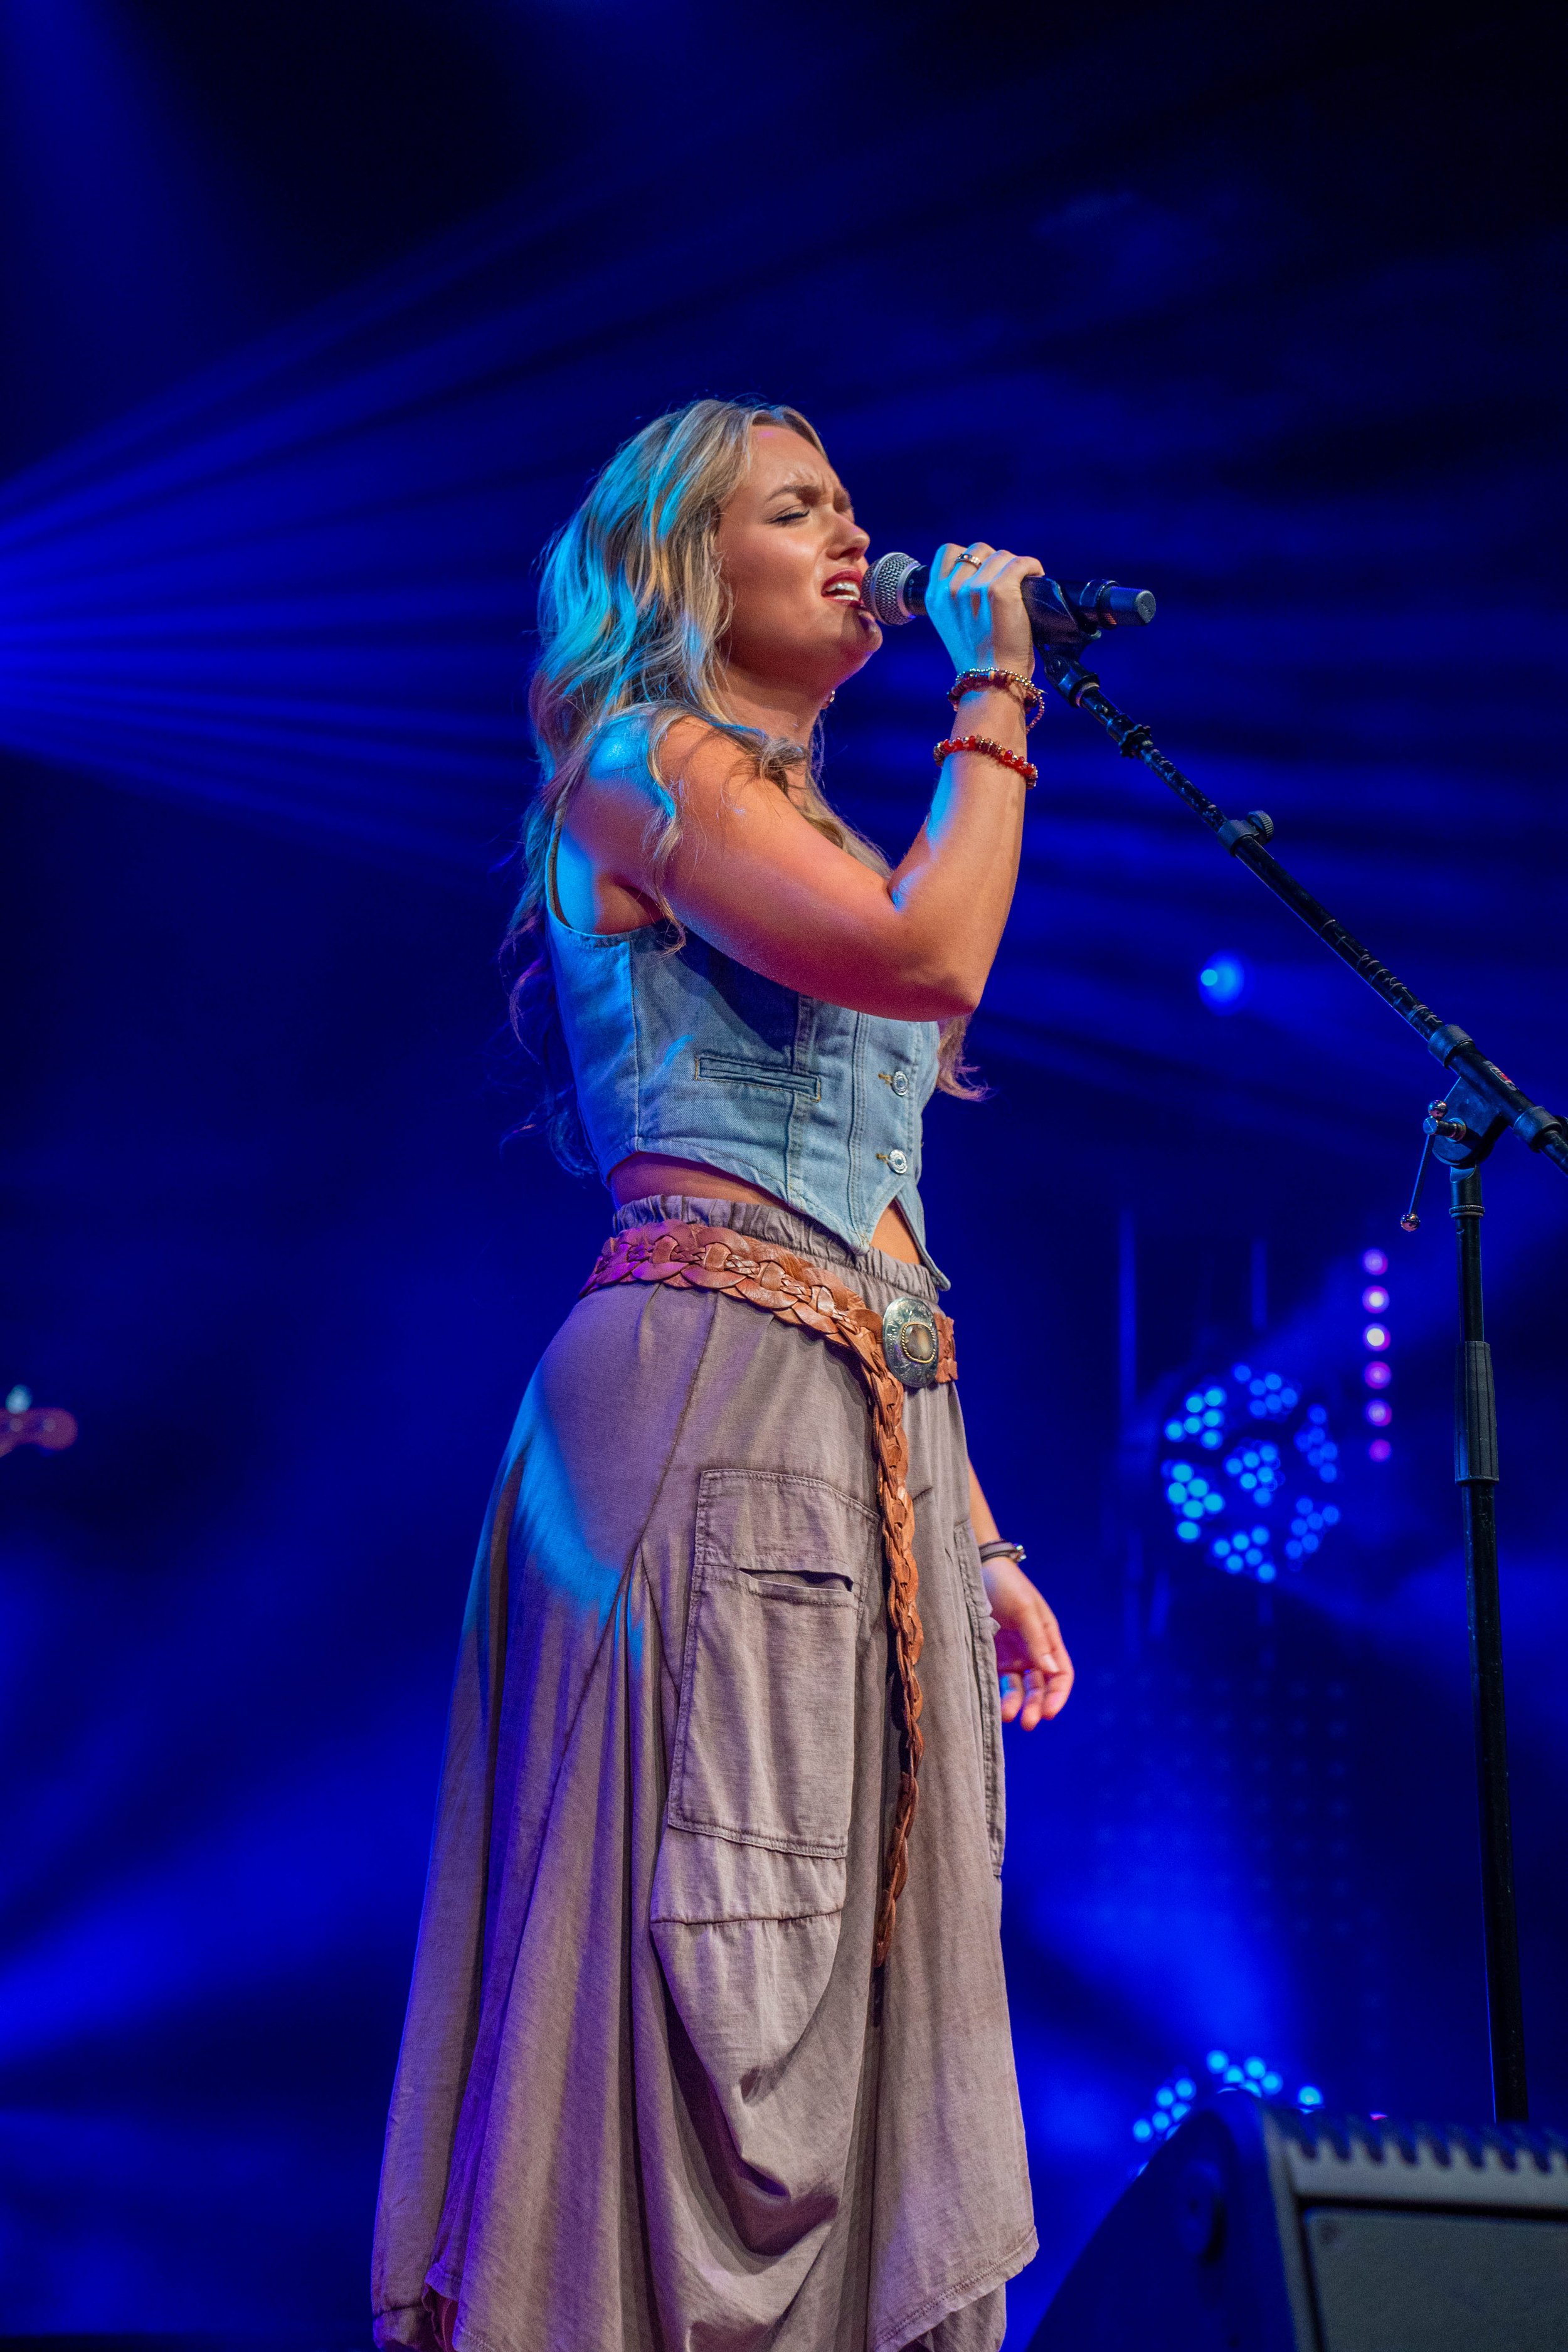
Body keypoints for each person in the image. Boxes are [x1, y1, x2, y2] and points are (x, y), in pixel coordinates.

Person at [371, 398, 1075, 2352]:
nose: (852, 537)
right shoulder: (638, 760)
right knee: (714, 1927)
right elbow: (929, 961)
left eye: (849, 502)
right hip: (706, 1392)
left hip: (866, 1428)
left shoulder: (817, 825)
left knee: (852, 1952)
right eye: (795, 509)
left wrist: (978, 1530)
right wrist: (996, 698)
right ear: (687, 570)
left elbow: (884, 1212)